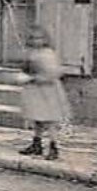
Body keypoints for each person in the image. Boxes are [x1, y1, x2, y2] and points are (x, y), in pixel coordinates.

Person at [15, 24, 72, 160]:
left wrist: (33, 77)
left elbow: (53, 73)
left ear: (45, 39)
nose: (36, 41)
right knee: (37, 118)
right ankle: (37, 143)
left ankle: (53, 146)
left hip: (47, 92)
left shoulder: (48, 54)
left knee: (49, 120)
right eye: (33, 38)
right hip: (35, 92)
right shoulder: (31, 52)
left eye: (39, 38)